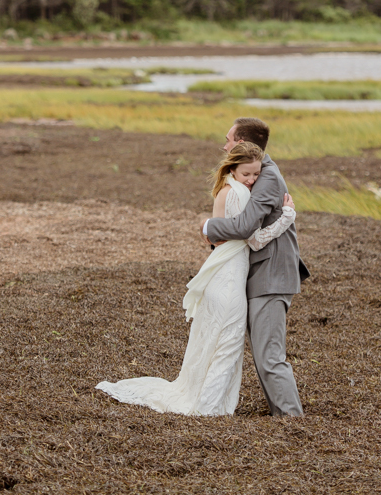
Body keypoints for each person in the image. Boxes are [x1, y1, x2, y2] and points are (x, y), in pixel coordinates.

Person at [96, 141, 296, 415]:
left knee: (220, 339)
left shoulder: (226, 189)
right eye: (246, 174)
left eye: (256, 174)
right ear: (233, 168)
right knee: (227, 341)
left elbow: (222, 238)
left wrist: (210, 227)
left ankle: (209, 400)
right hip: (230, 278)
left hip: (224, 274)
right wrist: (287, 217)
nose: (252, 180)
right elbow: (254, 239)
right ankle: (209, 405)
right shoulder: (239, 194)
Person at [201, 116, 306, 417]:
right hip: (260, 272)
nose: (225, 145)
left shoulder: (268, 176)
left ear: (244, 143)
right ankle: (283, 415)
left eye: (229, 139)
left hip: (271, 274)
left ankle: (292, 420)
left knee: (269, 356)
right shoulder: (257, 172)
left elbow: (247, 226)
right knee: (264, 355)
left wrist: (209, 227)